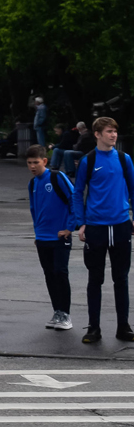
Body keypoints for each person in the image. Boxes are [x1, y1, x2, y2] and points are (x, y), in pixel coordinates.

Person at [71, 117, 134, 343]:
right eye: (109, 132)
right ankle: (94, 328)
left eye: (115, 132)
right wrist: (81, 223)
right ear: (97, 134)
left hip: (120, 226)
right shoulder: (89, 160)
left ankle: (123, 327)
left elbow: (133, 191)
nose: (113, 135)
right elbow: (78, 193)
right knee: (95, 279)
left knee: (121, 278)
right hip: (96, 227)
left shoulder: (124, 159)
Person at [27, 144, 76, 330]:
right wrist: (37, 232)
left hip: (59, 237)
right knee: (49, 275)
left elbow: (74, 199)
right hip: (42, 238)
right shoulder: (32, 183)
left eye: (36, 162)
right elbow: (34, 209)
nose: (32, 166)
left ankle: (66, 314)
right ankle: (57, 312)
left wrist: (70, 227)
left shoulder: (57, 177)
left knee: (60, 273)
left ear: (44, 161)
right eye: (29, 163)